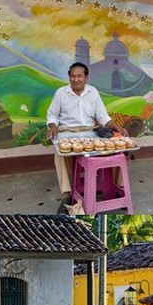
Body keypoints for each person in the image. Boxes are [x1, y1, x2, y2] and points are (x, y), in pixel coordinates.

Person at [46, 62, 128, 212]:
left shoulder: (93, 92)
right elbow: (52, 115)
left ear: (86, 78)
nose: (76, 79)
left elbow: (102, 116)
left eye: (79, 76)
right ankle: (67, 194)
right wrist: (52, 127)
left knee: (117, 148)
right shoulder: (61, 93)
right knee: (60, 154)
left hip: (91, 131)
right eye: (72, 76)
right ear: (69, 77)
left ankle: (118, 187)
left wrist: (118, 128)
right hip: (67, 131)